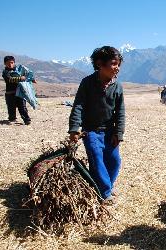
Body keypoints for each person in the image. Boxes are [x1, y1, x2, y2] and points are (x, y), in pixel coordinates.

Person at [68, 46, 125, 205]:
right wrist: (74, 128)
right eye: (114, 64)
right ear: (100, 64)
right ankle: (105, 193)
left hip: (109, 132)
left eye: (119, 64)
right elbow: (78, 105)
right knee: (96, 158)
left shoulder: (117, 87)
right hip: (90, 131)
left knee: (114, 161)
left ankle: (107, 185)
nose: (117, 68)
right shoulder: (87, 83)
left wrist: (118, 133)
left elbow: (120, 112)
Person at [1, 56, 36, 125]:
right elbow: (10, 79)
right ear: (5, 64)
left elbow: (27, 75)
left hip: (20, 92)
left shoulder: (19, 70)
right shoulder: (5, 72)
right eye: (8, 63)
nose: (10, 64)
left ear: (14, 62)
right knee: (11, 107)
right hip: (10, 93)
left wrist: (31, 79)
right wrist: (20, 78)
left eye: (12, 63)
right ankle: (12, 119)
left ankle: (27, 120)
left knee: (22, 106)